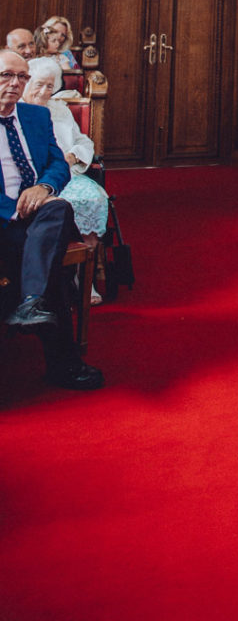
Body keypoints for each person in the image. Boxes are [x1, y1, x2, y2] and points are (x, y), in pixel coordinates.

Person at [0, 48, 103, 389]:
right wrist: (15, 208)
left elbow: (59, 164)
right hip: (3, 221)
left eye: (21, 77)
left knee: (60, 208)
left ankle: (30, 303)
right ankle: (62, 361)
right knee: (51, 273)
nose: (15, 84)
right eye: (6, 75)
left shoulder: (35, 117)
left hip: (39, 217)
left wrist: (44, 187)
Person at [25, 57, 109, 301]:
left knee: (93, 197)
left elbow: (84, 141)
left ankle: (84, 279)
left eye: (50, 86)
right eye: (39, 84)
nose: (44, 92)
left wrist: (73, 155)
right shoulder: (15, 108)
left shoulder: (59, 108)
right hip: (33, 178)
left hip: (67, 173)